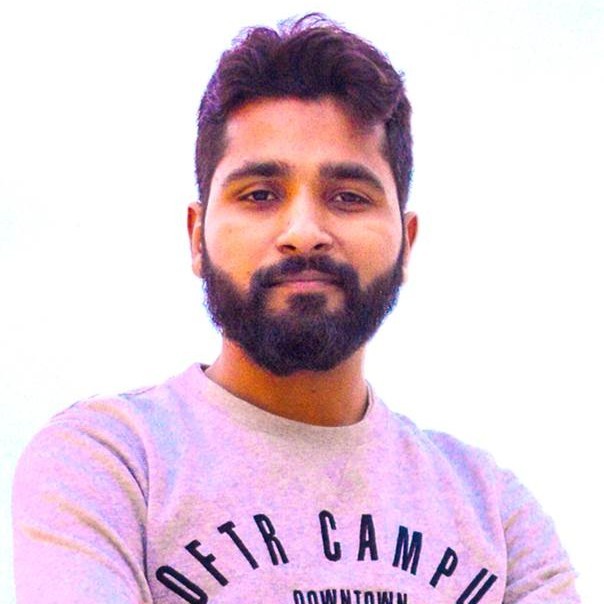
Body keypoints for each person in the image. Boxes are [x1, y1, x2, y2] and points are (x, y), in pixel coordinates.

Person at [12, 13, 579, 604]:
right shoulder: (111, 464)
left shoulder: (497, 515)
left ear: (406, 242)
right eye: (259, 195)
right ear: (196, 237)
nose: (303, 231)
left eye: (348, 197)